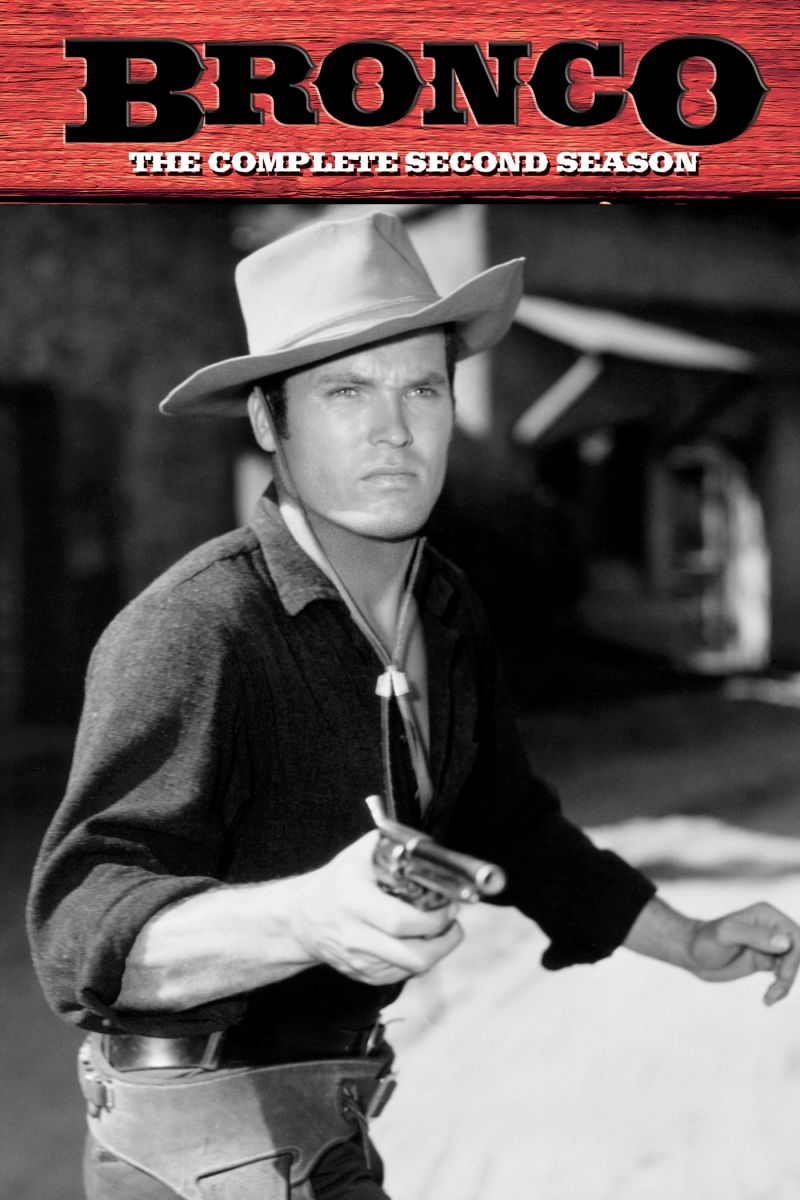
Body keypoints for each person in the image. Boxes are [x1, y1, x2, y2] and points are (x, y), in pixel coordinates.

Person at [27, 211, 800, 1200]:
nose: (393, 428)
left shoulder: (444, 606)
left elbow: (509, 825)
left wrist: (685, 939)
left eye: (422, 388)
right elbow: (78, 926)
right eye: (346, 391)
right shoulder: (196, 630)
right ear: (268, 421)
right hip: (193, 1148)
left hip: (329, 1123)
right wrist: (300, 918)